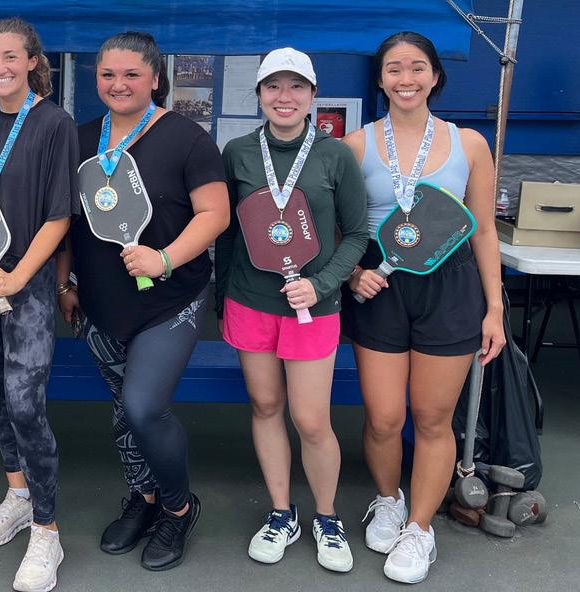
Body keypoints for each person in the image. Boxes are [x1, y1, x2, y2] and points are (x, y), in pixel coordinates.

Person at [56, 31, 228, 571]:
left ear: (155, 78)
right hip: (101, 303)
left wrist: (165, 259)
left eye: (131, 74)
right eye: (108, 74)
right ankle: (145, 496)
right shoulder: (81, 139)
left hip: (170, 300)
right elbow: (65, 222)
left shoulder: (186, 138)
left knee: (143, 407)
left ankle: (177, 508)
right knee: (122, 411)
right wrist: (64, 283)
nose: (118, 84)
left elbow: (215, 215)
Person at [341, 31, 506, 584]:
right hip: (380, 286)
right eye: (394, 69)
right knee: (385, 417)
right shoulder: (356, 145)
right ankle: (388, 500)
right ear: (380, 79)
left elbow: (484, 231)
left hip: (449, 286)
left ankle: (419, 529)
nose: (405, 79)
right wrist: (355, 273)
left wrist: (494, 309)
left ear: (435, 76)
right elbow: (340, 230)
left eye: (416, 68)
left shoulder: (470, 144)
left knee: (433, 418)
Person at [214, 47, 368, 573]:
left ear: (313, 94)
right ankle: (283, 513)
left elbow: (358, 234)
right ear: (259, 94)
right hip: (249, 302)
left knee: (311, 419)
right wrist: (222, 297)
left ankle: (328, 517)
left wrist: (321, 285)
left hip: (313, 307)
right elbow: (228, 234)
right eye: (273, 86)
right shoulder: (237, 152)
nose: (285, 96)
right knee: (265, 406)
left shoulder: (335, 155)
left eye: (296, 86)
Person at [0, 17, 78, 592]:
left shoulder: (55, 123)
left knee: (26, 402)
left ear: (32, 61)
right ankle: (18, 496)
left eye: (9, 57)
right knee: (0, 392)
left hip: (26, 284)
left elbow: (60, 214)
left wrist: (19, 276)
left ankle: (47, 531)